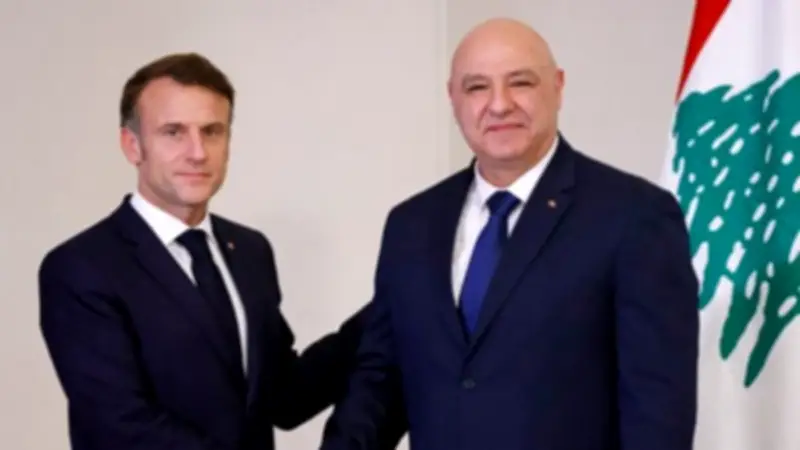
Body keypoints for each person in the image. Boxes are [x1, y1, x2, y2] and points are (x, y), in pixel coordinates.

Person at [320, 18, 699, 450]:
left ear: (558, 86)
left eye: (520, 82)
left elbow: (658, 413)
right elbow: (380, 381)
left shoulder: (634, 216)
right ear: (453, 98)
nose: (499, 105)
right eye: (477, 87)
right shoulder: (411, 225)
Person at [38, 53, 404, 450]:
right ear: (132, 145)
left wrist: (391, 309)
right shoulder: (82, 267)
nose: (197, 152)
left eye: (212, 131)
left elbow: (284, 396)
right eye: (174, 132)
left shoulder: (249, 250)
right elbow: (119, 424)